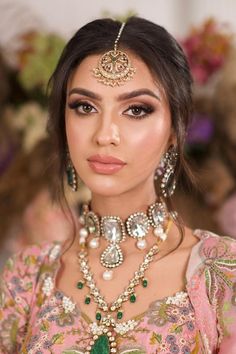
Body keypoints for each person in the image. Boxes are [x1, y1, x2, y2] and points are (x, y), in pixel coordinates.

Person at [0, 16, 236, 354]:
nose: (105, 134)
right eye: (85, 106)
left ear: (175, 129)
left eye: (136, 110)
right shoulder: (25, 279)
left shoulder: (223, 274)